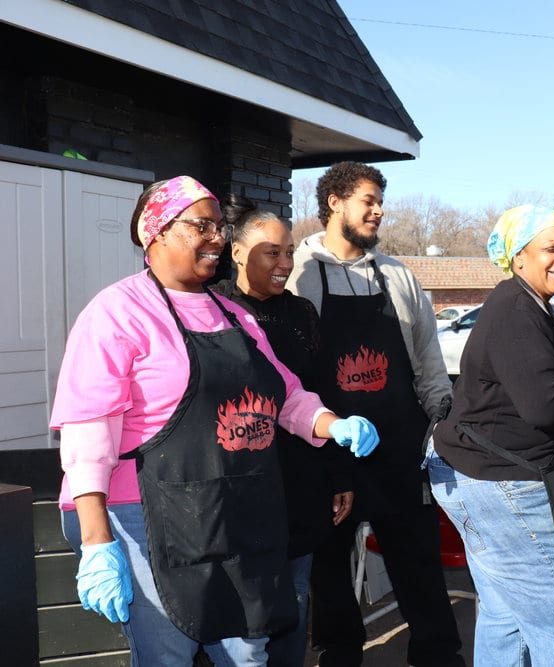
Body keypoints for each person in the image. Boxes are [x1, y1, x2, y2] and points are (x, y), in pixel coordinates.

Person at [51, 176, 380, 667]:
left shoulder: (233, 314)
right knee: (171, 652)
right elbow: (88, 435)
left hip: (232, 510)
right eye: (200, 226)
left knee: (247, 649)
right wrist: (98, 541)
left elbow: (285, 394)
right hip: (142, 512)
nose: (217, 238)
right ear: (154, 232)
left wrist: (332, 423)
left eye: (219, 227)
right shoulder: (116, 313)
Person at [286, 161, 465, 667]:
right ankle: (339, 656)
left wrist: (442, 422)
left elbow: (429, 361)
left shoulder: (398, 276)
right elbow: (291, 375)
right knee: (330, 569)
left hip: (398, 450)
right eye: (368, 200)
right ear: (335, 203)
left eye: (379, 201)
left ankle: (437, 654)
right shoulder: (299, 273)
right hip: (327, 449)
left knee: (419, 562)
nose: (378, 210)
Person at [426, 205, 554, 666]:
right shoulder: (516, 309)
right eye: (551, 247)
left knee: (505, 613)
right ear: (518, 256)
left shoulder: (526, 305)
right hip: (502, 481)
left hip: (472, 474)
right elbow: (548, 407)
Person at [212, 194, 356, 667]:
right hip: (240, 488)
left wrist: (339, 475)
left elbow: (319, 393)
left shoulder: (300, 315)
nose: (285, 262)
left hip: (301, 483)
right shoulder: (214, 313)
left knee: (292, 606)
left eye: (290, 251)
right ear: (237, 253)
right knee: (242, 618)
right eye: (272, 252)